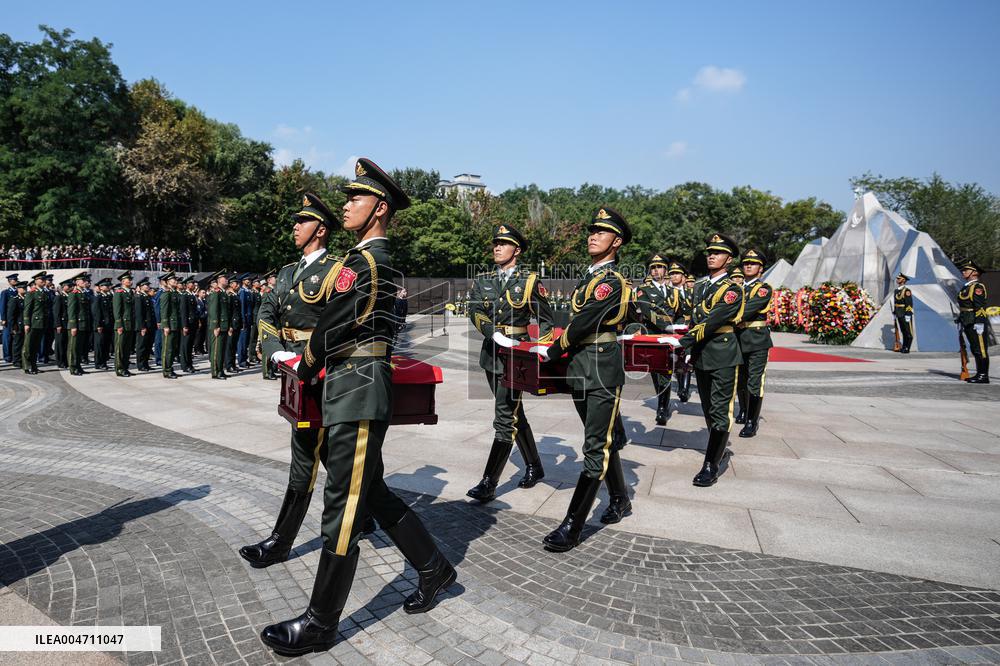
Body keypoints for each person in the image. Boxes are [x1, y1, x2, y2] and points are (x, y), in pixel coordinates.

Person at [260, 160, 455, 656]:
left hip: (357, 386)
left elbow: (331, 325)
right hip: (353, 382)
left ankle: (321, 623)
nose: (346, 204)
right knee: (371, 492)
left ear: (380, 208)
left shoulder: (365, 263)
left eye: (356, 198)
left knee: (343, 505)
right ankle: (434, 567)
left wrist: (301, 365)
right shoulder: (372, 260)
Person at [538, 207, 634, 552]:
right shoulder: (589, 278)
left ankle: (572, 525)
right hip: (581, 366)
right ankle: (620, 499)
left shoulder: (612, 282)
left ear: (616, 242)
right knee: (601, 439)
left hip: (601, 368)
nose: (593, 235)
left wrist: (553, 349)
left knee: (595, 446)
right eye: (591, 231)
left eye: (602, 232)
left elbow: (584, 322)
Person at [466, 223, 555, 503]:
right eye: (495, 243)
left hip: (517, 358)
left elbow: (547, 320)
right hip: (492, 354)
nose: (496, 247)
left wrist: (541, 348)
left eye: (503, 244)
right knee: (515, 413)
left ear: (516, 250)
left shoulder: (529, 281)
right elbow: (475, 309)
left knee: (505, 417)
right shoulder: (483, 280)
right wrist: (493, 333)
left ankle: (489, 483)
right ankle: (535, 466)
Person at [677, 234, 745, 487]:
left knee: (720, 410)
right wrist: (690, 353)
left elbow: (713, 320)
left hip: (723, 353)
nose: (711, 256)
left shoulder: (732, 290)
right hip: (703, 354)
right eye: (709, 252)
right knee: (708, 408)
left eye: (717, 253)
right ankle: (719, 448)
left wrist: (683, 342)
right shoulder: (702, 286)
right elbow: (695, 320)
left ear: (729, 259)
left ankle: (711, 464)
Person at [631, 253, 679, 425]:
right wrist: (666, 325)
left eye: (659, 267)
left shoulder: (674, 292)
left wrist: (680, 328)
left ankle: (662, 407)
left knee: (667, 371)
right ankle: (662, 402)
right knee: (656, 372)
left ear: (665, 269)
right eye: (653, 267)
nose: (656, 270)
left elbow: (680, 313)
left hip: (671, 337)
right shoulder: (644, 289)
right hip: (654, 336)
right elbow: (646, 311)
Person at [734, 249, 773, 438]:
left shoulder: (763, 288)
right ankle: (743, 410)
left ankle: (752, 421)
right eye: (745, 263)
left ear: (760, 269)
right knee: (740, 380)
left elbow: (748, 309)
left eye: (753, 263)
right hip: (738, 339)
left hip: (757, 340)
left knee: (754, 381)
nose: (748, 266)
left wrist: (725, 317)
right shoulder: (737, 288)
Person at [957, 259, 991, 384]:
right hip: (967, 320)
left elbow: (980, 306)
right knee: (974, 348)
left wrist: (980, 322)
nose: (963, 272)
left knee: (980, 348)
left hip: (976, 321)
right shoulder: (966, 287)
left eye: (966, 270)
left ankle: (983, 375)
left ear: (974, 272)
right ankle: (979, 373)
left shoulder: (977, 287)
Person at [668, 261, 694, 402]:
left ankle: (685, 388)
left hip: (690, 329)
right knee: (677, 358)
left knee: (688, 359)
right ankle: (680, 385)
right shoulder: (667, 293)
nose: (674, 276)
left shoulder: (692, 293)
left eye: (677, 273)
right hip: (675, 329)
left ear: (684, 277)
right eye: (671, 274)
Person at [67, 273, 93, 375]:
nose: (85, 282)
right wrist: (73, 326)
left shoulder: (83, 293)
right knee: (73, 347)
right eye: (83, 280)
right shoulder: (73, 293)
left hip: (83, 324)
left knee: (79, 348)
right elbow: (72, 311)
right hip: (76, 325)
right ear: (77, 282)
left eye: (85, 280)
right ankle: (73, 368)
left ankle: (78, 366)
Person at [206, 273, 231, 379]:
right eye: (225, 279)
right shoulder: (216, 293)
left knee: (222, 350)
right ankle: (215, 371)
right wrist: (215, 325)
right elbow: (213, 310)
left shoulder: (224, 293)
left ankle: (220, 369)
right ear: (219, 280)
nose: (227, 280)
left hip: (224, 325)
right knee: (217, 350)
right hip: (218, 326)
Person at [112, 271, 137, 377]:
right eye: (129, 280)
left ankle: (125, 367)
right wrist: (119, 325)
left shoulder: (130, 292)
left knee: (127, 348)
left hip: (130, 324)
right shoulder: (119, 293)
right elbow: (117, 311)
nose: (131, 281)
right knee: (120, 348)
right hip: (122, 324)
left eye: (131, 280)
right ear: (123, 281)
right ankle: (119, 369)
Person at [21, 272, 46, 374]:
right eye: (41, 279)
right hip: (32, 323)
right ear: (36, 281)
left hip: (41, 323)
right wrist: (26, 323)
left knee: (35, 346)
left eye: (44, 279)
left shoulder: (43, 292)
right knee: (28, 346)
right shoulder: (31, 293)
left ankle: (34, 366)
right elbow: (27, 310)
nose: (43, 281)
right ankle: (27, 366)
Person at [159, 273, 180, 379]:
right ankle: (166, 370)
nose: (175, 281)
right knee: (168, 349)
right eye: (173, 280)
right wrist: (165, 325)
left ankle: (170, 368)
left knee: (173, 349)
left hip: (175, 324)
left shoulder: (175, 293)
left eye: (175, 280)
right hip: (169, 325)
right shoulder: (166, 294)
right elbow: (164, 311)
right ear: (167, 282)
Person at [134, 278, 156, 371]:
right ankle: (140, 364)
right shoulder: (139, 297)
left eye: (148, 285)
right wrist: (142, 327)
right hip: (143, 326)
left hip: (150, 325)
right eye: (145, 285)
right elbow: (139, 314)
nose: (148, 286)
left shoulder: (147, 297)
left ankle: (146, 363)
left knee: (148, 346)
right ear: (140, 287)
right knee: (141, 346)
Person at [179, 277, 198, 373]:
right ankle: (185, 365)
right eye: (191, 283)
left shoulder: (192, 295)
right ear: (187, 285)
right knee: (185, 345)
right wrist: (184, 326)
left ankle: (189, 364)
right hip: (188, 324)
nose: (193, 285)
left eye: (193, 283)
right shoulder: (184, 296)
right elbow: (183, 312)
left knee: (190, 345)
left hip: (193, 323)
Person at [6, 281, 26, 368]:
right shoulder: (14, 300)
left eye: (25, 288)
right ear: (18, 289)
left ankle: (23, 359)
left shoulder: (26, 299)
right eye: (23, 288)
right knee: (17, 343)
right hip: (18, 325)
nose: (25, 289)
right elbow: (10, 315)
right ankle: (16, 360)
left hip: (25, 324)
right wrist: (13, 326)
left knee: (24, 343)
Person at [893, 273, 914, 353]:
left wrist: (908, 314)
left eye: (899, 278)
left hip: (905, 313)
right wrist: (895, 312)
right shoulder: (896, 290)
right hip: (899, 313)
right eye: (897, 278)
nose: (897, 280)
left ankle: (907, 348)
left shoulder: (907, 291)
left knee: (908, 331)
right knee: (903, 331)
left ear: (903, 280)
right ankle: (904, 347)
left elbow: (909, 303)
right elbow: (896, 302)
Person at [53, 278, 71, 368]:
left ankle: (65, 361)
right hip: (61, 324)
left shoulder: (68, 296)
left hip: (67, 323)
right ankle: (60, 361)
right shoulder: (59, 297)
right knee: (60, 343)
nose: (70, 288)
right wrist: (58, 325)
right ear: (63, 287)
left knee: (66, 343)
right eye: (68, 286)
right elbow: (56, 313)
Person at [1, 273, 17, 364]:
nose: (15, 281)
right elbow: (3, 306)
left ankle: (14, 355)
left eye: (15, 279)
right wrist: (3, 318)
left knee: (16, 338)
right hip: (7, 318)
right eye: (13, 280)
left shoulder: (17, 291)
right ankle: (7, 356)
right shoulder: (5, 293)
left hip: (16, 318)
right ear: (9, 281)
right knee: (7, 338)